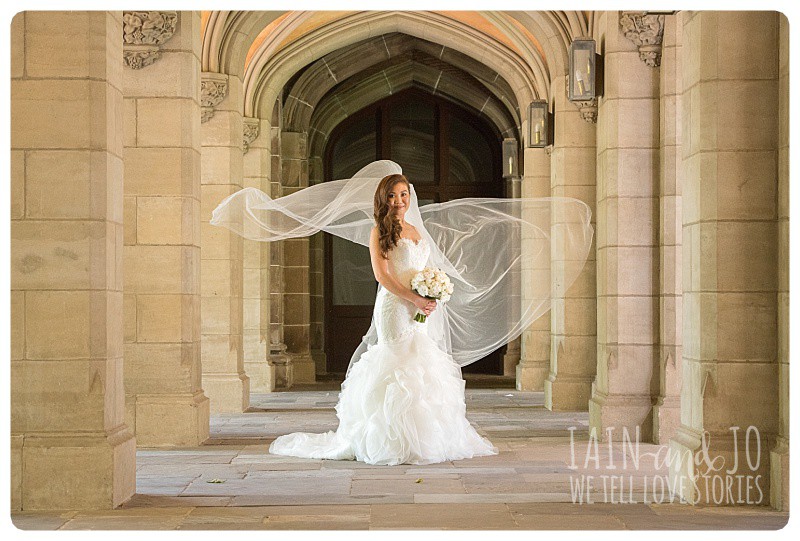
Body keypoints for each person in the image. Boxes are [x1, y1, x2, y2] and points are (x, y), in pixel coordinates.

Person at [210, 159, 593, 466]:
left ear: (410, 197)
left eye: (404, 194)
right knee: (396, 363)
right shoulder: (379, 231)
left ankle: (426, 438)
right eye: (393, 195)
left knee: (424, 362)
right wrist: (414, 297)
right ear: (383, 198)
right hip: (395, 306)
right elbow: (383, 275)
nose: (399, 200)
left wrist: (435, 291)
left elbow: (426, 266)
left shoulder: (415, 229)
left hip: (419, 303)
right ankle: (387, 439)